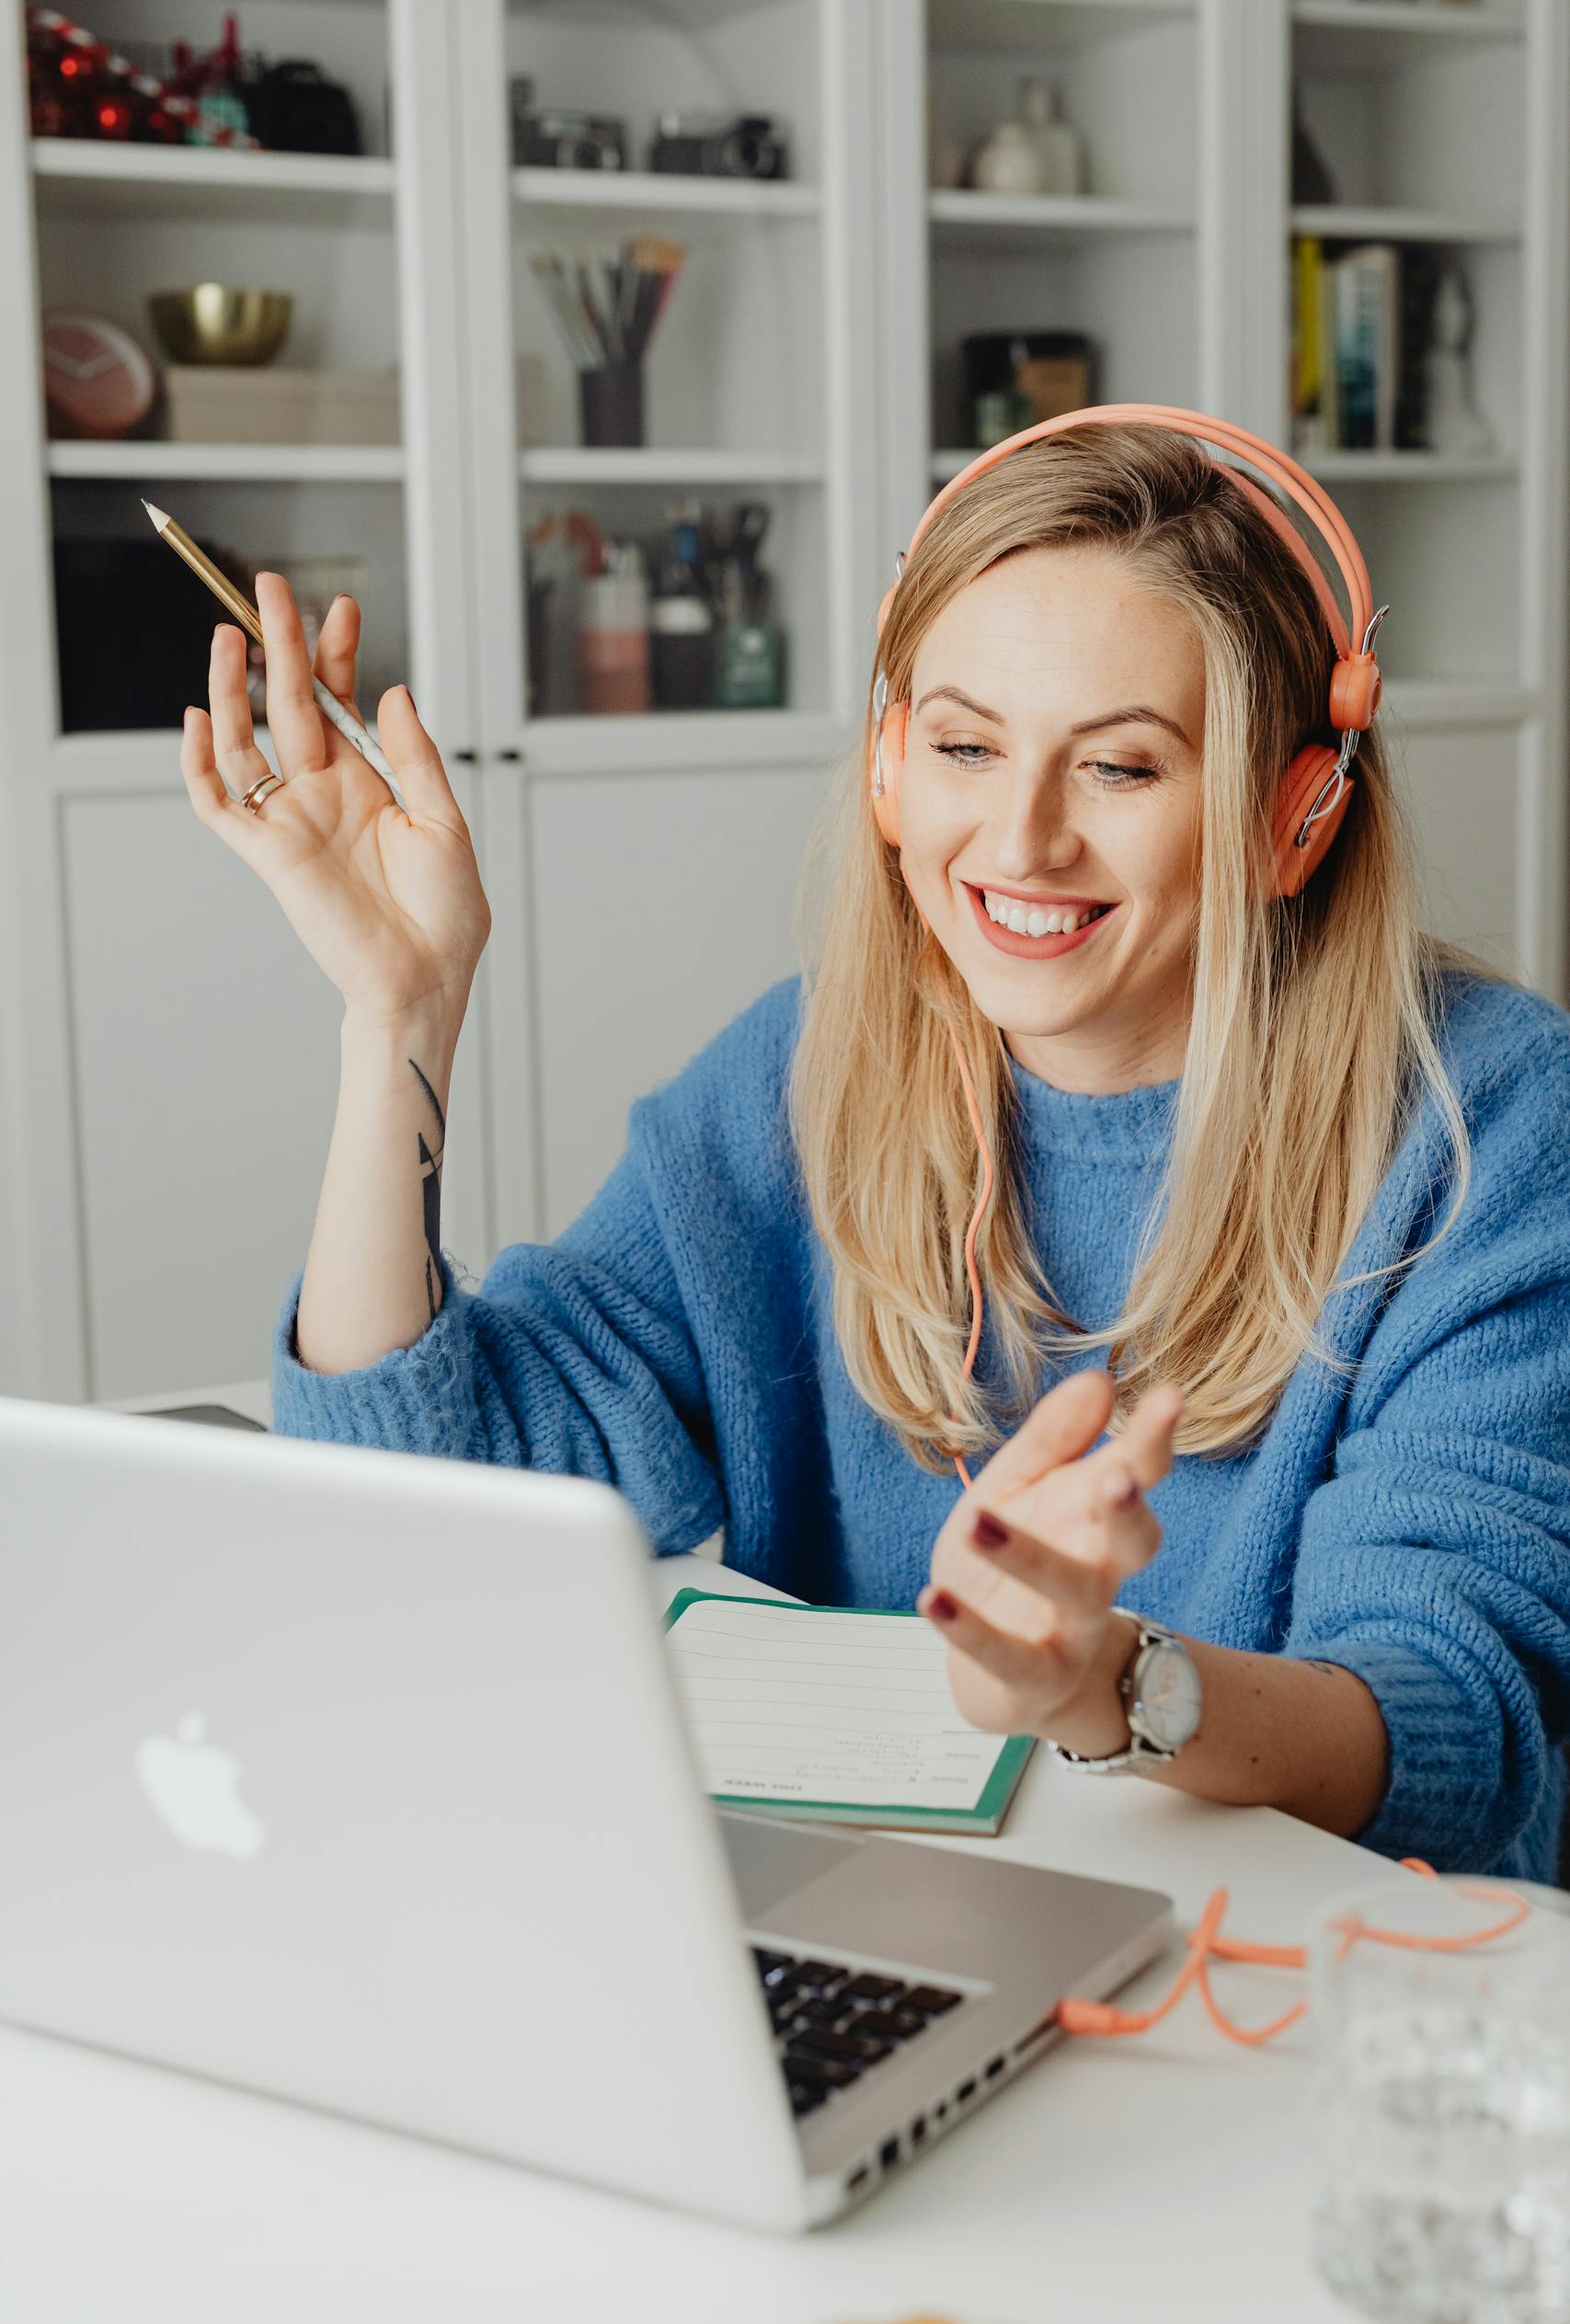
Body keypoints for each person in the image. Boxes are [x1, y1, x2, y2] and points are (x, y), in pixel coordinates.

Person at [178, 417, 1570, 1885]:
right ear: (893, 766)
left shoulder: (1491, 1123)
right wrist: (399, 1012)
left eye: (1120, 768)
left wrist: (1108, 1684)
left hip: (1321, 1987)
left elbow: (1457, 1732)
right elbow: (428, 1489)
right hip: (898, 1918)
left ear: (1299, 816)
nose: (1021, 841)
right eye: (968, 746)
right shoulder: (804, 1073)